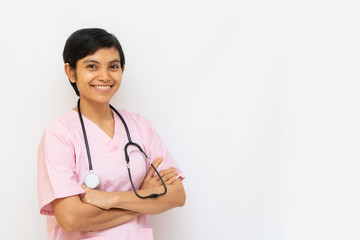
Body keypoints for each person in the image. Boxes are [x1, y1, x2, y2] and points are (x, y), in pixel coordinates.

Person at [37, 28, 186, 240]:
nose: (104, 76)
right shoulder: (60, 133)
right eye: (92, 66)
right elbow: (70, 218)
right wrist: (143, 196)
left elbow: (177, 195)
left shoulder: (140, 126)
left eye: (113, 66)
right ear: (71, 72)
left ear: (122, 69)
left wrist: (110, 199)